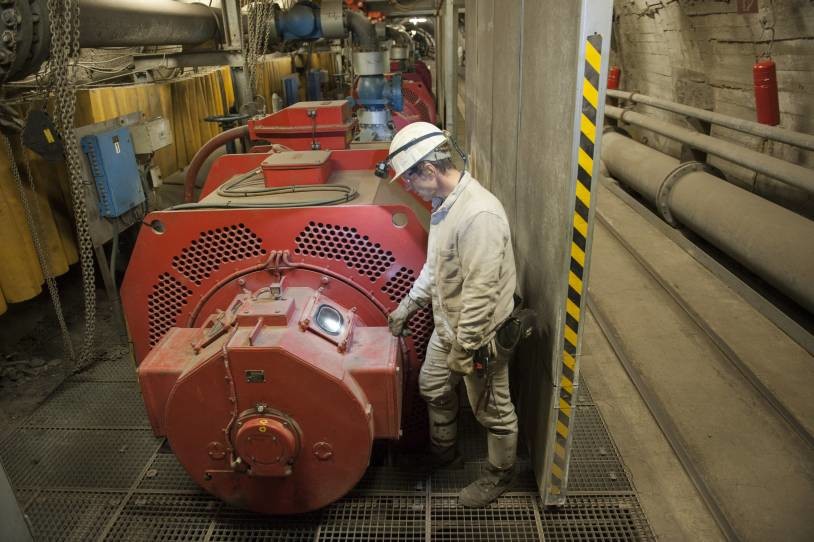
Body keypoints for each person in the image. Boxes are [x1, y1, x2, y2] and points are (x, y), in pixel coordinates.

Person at [384, 122, 519, 508]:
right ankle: (444, 454)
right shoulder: (443, 207)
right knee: (433, 386)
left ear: (429, 170)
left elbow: (481, 291)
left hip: (479, 336)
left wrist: (466, 347)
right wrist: (408, 305)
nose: (409, 189)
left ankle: (499, 476)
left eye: (410, 181)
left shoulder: (479, 216)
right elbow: (435, 267)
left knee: (492, 410)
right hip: (449, 328)